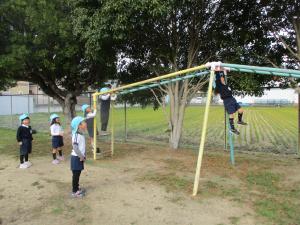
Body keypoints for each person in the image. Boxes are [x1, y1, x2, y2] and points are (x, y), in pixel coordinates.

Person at [215, 71, 247, 135]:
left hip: (232, 99)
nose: (223, 78)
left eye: (223, 77)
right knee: (231, 114)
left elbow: (222, 78)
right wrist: (219, 71)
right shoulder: (219, 85)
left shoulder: (226, 85)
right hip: (227, 101)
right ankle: (232, 129)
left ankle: (239, 121)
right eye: (221, 77)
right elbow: (218, 77)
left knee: (241, 110)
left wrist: (224, 73)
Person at [70, 116, 87, 198]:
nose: (85, 124)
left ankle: (76, 188)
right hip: (76, 158)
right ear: (79, 125)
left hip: (79, 157)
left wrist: (83, 156)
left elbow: (81, 147)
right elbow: (75, 148)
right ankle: (74, 191)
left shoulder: (80, 134)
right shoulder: (76, 135)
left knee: (78, 174)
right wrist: (81, 157)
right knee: (76, 175)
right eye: (84, 122)